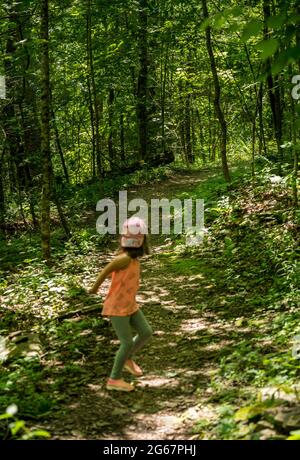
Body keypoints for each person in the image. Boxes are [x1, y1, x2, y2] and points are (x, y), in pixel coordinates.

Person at [89, 217, 153, 392]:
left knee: (146, 332)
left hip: (130, 305)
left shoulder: (133, 260)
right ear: (140, 241)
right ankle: (114, 379)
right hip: (117, 307)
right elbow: (106, 270)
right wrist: (94, 289)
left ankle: (127, 358)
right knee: (126, 342)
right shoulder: (124, 259)